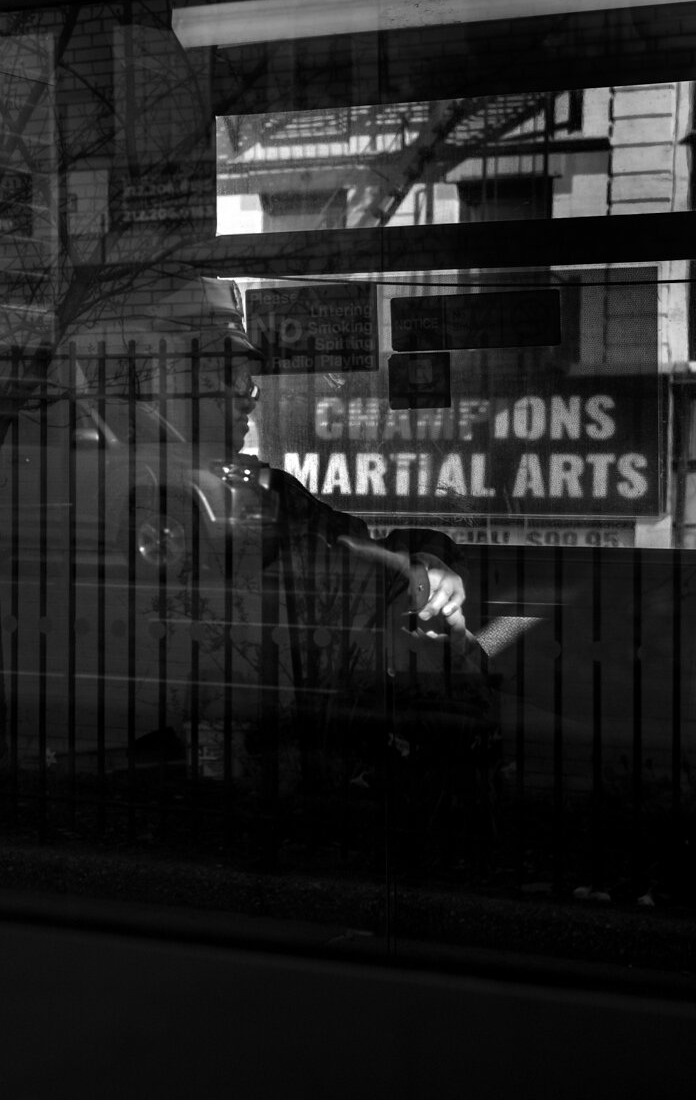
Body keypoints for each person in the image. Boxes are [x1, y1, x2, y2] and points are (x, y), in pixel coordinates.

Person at [173, 278, 496, 801]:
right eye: (230, 382)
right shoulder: (144, 489)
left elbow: (351, 539)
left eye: (249, 385)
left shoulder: (268, 488)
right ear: (179, 387)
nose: (247, 401)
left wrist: (430, 555)